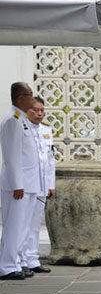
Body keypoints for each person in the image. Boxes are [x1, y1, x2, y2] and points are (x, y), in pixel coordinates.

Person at [0, 82, 40, 280]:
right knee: (14, 226)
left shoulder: (22, 119)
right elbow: (12, 156)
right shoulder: (12, 121)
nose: (33, 99)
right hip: (18, 186)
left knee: (23, 227)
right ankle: (7, 265)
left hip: (29, 184)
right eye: (29, 95)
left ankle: (16, 261)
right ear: (19, 98)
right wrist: (18, 184)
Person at [19, 96, 54, 275]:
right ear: (27, 111)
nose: (39, 114)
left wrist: (50, 185)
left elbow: (49, 160)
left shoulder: (46, 130)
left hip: (41, 185)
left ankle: (32, 259)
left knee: (34, 224)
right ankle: (20, 259)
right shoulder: (22, 128)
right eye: (35, 110)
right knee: (22, 223)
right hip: (26, 185)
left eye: (42, 110)